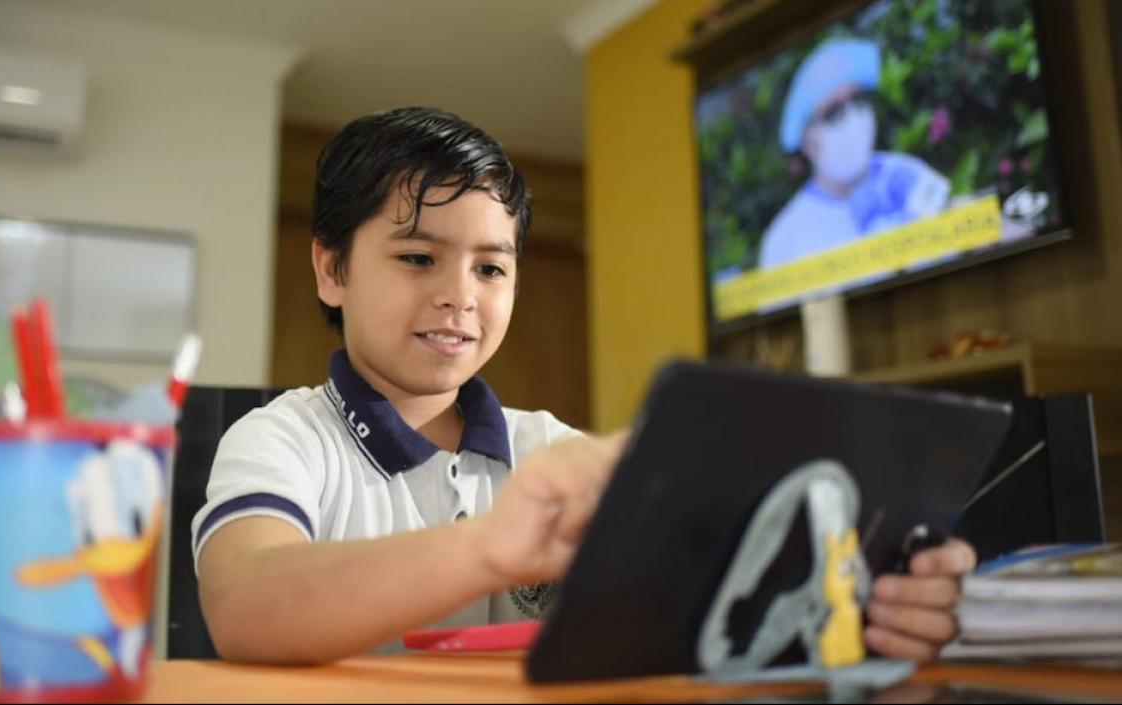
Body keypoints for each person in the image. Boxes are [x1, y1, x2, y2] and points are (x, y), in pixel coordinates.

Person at [194, 106, 975, 665]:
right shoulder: (281, 440)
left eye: (491, 267)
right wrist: (488, 547)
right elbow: (243, 604)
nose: (461, 295)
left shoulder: (553, 451)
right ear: (332, 268)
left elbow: (717, 600)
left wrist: (871, 601)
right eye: (418, 258)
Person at [759, 38, 951, 272]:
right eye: (834, 112)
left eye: (858, 100)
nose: (854, 119)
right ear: (808, 141)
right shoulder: (785, 239)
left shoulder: (907, 174)